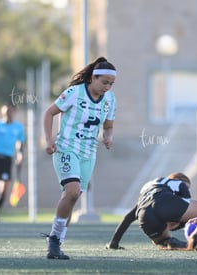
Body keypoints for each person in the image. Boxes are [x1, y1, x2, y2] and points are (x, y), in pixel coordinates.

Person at [42, 57, 117, 260]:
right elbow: (49, 113)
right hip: (66, 148)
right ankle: (54, 241)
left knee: (72, 198)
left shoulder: (110, 100)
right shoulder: (75, 93)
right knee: (72, 191)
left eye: (111, 84)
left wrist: (108, 137)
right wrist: (48, 140)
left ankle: (56, 242)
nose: (107, 87)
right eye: (104, 82)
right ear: (93, 77)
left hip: (88, 154)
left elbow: (108, 126)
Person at [105, 172, 197, 250]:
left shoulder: (149, 187)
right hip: (164, 203)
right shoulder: (178, 183)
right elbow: (188, 207)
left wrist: (114, 242)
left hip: (144, 215)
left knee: (163, 242)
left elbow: (127, 218)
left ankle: (169, 241)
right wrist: (181, 221)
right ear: (180, 180)